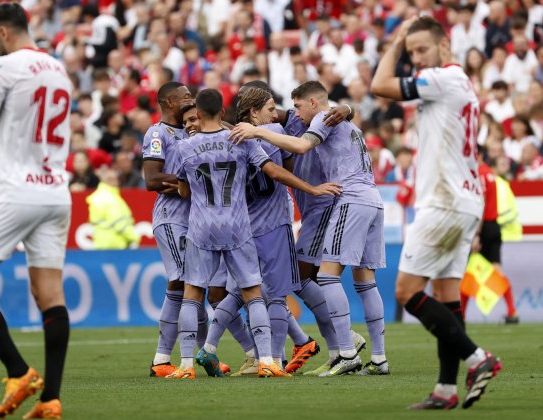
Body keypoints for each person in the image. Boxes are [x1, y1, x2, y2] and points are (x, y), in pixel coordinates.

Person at [370, 16, 501, 409]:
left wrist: (394, 44)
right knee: (447, 297)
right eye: (412, 53)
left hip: (444, 202)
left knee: (406, 292)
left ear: (445, 47)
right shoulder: (457, 85)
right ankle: (446, 389)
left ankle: (479, 359)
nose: (417, 58)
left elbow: (379, 86)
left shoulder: (443, 79)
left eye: (422, 49)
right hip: (461, 199)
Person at [168, 88, 340, 379]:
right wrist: (311, 188)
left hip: (201, 227)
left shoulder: (184, 147)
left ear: (197, 115)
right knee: (253, 292)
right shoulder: (241, 139)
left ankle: (185, 365)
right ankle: (268, 362)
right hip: (237, 225)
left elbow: (183, 188)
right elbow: (273, 171)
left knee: (193, 294)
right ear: (223, 113)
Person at [0, 4, 72, 419]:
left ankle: (19, 372)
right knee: (50, 295)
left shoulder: (6, 65)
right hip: (56, 191)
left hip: (14, 190)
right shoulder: (59, 70)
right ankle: (51, 399)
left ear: (2, 33)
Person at [231, 81, 388, 377]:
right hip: (367, 198)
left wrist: (254, 130)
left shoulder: (313, 119)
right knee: (360, 280)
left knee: (309, 276)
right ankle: (370, 356)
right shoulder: (328, 117)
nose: (294, 112)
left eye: (298, 105)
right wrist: (348, 109)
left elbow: (302, 144)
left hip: (334, 201)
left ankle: (344, 347)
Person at [142, 81, 196, 377]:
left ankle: (199, 354)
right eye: (185, 96)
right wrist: (191, 183)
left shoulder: (192, 130)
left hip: (194, 219)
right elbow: (151, 179)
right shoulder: (157, 133)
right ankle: (162, 359)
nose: (191, 98)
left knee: (195, 285)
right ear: (168, 102)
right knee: (180, 282)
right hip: (172, 217)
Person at [461, 150, 518, 323]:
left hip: (483, 227)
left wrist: (476, 234)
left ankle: (461, 315)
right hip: (493, 226)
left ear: (477, 156)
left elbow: (481, 203)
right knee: (495, 271)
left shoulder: (480, 174)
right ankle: (512, 311)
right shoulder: (490, 174)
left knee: (469, 271)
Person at [87, 168, 140, 249]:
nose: (116, 181)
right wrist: (134, 237)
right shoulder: (108, 197)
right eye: (112, 179)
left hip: (103, 243)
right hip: (114, 245)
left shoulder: (101, 195)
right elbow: (119, 223)